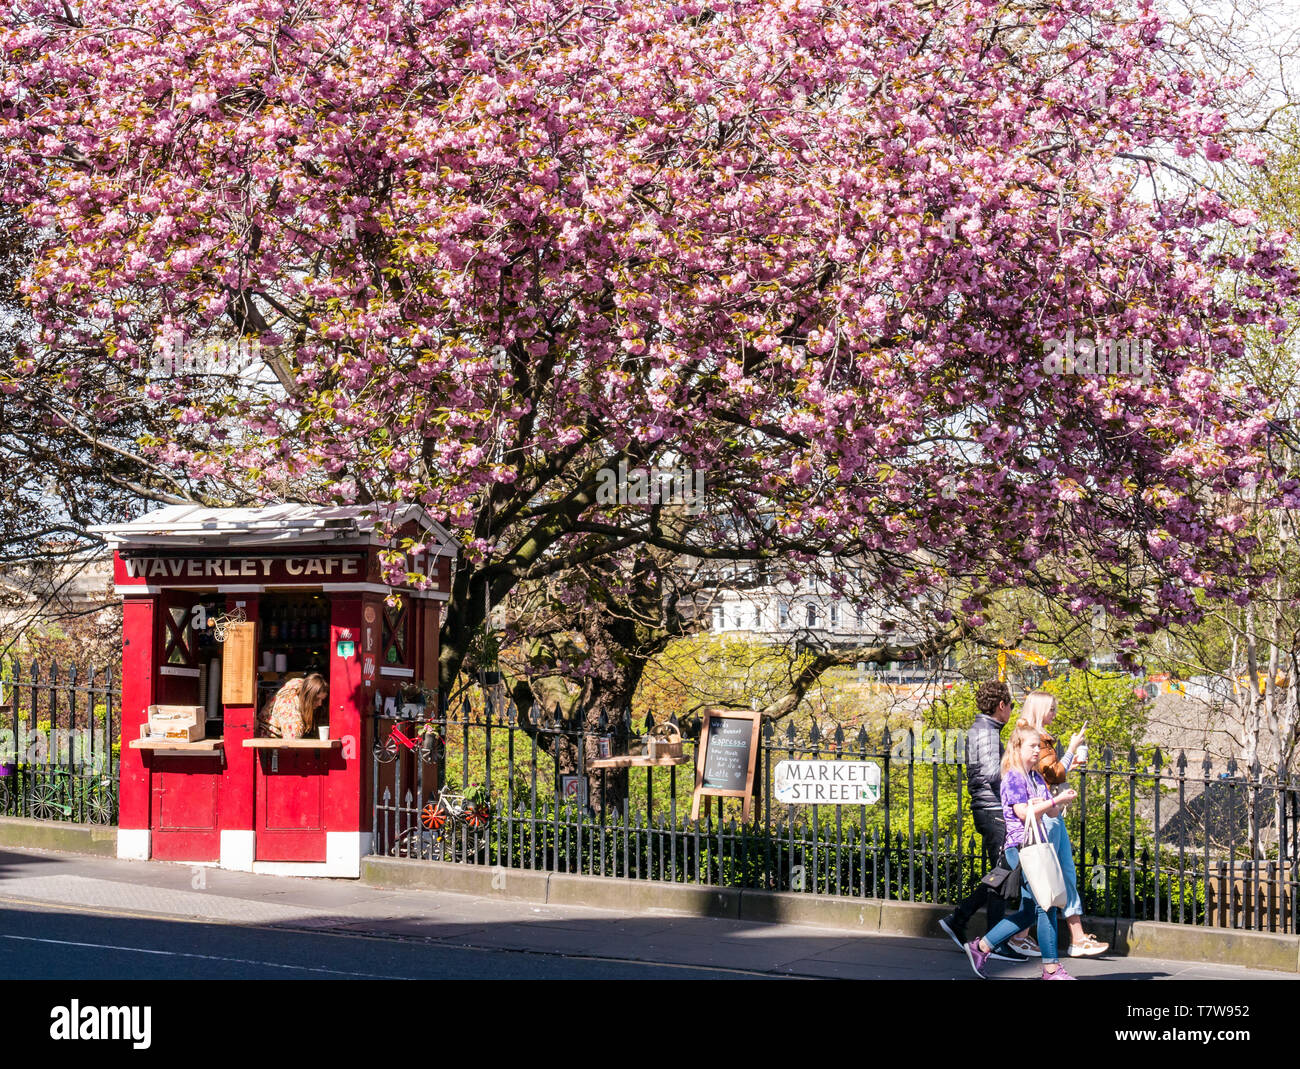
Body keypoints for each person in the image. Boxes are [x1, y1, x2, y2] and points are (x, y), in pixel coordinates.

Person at [963, 722, 1078, 979]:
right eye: (1033, 746)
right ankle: (1051, 969)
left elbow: (1051, 811)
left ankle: (981, 947)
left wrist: (1056, 801)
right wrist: (1051, 801)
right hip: (1021, 848)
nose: (1038, 750)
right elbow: (1023, 813)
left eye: (1039, 745)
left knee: (1030, 910)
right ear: (1018, 747)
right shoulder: (1013, 776)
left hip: (1037, 845)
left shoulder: (1036, 777)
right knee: (1045, 906)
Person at [1006, 692, 1108, 958]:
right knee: (1055, 876)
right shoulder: (1034, 739)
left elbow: (1049, 777)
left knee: (1055, 877)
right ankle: (1069, 940)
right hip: (1045, 817)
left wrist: (1067, 765)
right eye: (1051, 709)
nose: (1055, 714)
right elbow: (1052, 775)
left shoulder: (1040, 740)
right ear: (1040, 710)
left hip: (1050, 811)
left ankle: (1028, 938)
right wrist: (1072, 747)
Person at [938, 681, 1027, 961]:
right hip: (993, 810)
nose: (1011, 710)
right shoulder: (987, 733)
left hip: (987, 809)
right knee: (1003, 874)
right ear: (1001, 705)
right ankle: (991, 940)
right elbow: (992, 773)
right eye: (1011, 705)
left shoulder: (983, 730)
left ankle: (961, 920)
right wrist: (1021, 775)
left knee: (1001, 873)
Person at [258, 672, 327, 739]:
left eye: (322, 699)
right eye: (316, 699)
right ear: (307, 697)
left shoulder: (301, 685)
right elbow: (292, 743)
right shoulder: (291, 714)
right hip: (269, 740)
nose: (320, 704)